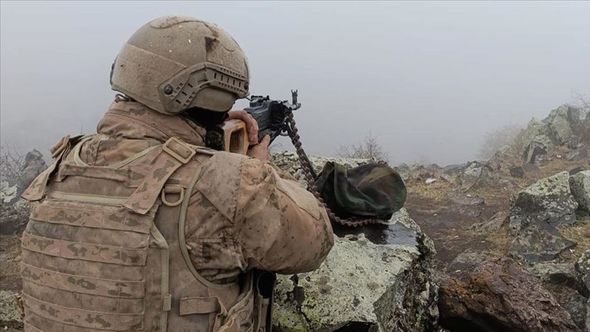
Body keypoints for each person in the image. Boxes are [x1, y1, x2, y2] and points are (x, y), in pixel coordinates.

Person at [20, 15, 334, 332]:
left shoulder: (61, 168)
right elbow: (314, 242)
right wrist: (261, 167)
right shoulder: (227, 183)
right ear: (213, 95)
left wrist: (209, 140)